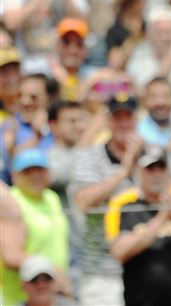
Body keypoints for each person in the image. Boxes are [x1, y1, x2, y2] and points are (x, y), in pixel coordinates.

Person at [105, 145, 171, 306]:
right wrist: (162, 217)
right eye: (150, 169)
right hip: (140, 299)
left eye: (161, 167)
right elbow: (119, 251)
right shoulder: (123, 203)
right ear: (139, 171)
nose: (156, 174)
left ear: (168, 170)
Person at [70, 94, 144, 306]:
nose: (123, 124)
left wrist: (137, 163)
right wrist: (123, 172)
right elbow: (83, 202)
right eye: (117, 118)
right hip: (101, 272)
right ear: (108, 122)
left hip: (145, 266)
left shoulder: (150, 154)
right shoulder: (91, 156)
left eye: (127, 117)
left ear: (135, 119)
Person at [0, 149, 70, 305]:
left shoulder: (51, 198)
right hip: (22, 297)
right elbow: (10, 255)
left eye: (40, 170)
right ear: (14, 175)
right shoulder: (12, 203)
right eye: (28, 171)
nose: (36, 175)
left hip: (52, 294)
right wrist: (53, 272)